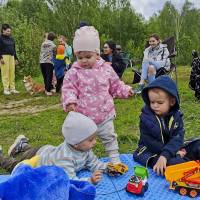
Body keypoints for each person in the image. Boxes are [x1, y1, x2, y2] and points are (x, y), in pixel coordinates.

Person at [62, 26, 133, 164]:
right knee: (83, 142)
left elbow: (115, 84)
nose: (83, 60)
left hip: (105, 113)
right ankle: (86, 162)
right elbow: (68, 88)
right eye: (79, 57)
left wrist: (125, 90)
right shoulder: (74, 72)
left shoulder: (106, 69)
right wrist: (70, 101)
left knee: (109, 137)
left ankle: (114, 159)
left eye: (88, 57)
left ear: (97, 54)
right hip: (84, 118)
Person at [0, 111, 109, 184]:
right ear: (76, 143)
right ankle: (2, 157)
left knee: (31, 150)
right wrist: (89, 180)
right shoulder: (65, 158)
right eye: (91, 140)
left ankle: (21, 145)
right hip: (37, 160)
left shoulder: (85, 148)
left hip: (46, 150)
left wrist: (107, 168)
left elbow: (93, 163)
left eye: (95, 138)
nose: (95, 142)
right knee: (15, 166)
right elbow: (69, 180)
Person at [133, 75, 200, 176]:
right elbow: (151, 143)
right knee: (172, 164)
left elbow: (178, 137)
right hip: (152, 151)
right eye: (152, 102)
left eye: (160, 102)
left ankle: (185, 160)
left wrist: (174, 150)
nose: (155, 105)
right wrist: (166, 155)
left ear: (172, 102)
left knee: (198, 144)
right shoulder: (146, 118)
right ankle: (186, 163)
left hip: (173, 148)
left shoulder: (176, 115)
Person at [0, 23, 19, 95]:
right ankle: (6, 89)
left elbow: (14, 49)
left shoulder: (11, 39)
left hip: (12, 56)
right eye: (8, 31)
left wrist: (16, 58)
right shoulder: (0, 38)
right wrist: (0, 58)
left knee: (12, 72)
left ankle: (12, 88)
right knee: (5, 73)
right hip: (4, 57)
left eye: (10, 31)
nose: (9, 32)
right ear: (3, 30)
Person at [39, 32, 56, 96]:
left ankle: (48, 88)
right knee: (49, 76)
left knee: (45, 76)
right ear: (53, 39)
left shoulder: (43, 43)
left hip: (42, 62)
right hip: (49, 62)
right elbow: (55, 53)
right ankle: (48, 90)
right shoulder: (53, 45)